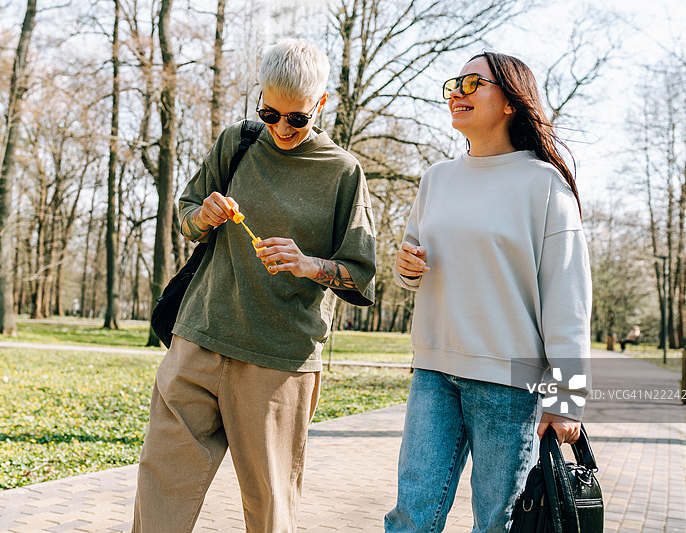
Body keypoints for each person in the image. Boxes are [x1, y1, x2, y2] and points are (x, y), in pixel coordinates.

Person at [133, 38, 377, 533]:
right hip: (199, 338)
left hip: (278, 361)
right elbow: (185, 212)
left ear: (321, 105)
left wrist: (310, 265)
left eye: (297, 118)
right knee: (159, 492)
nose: (281, 128)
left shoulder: (343, 172)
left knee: (270, 508)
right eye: (270, 113)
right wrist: (201, 215)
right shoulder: (237, 142)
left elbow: (361, 272)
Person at [385, 51, 592, 533]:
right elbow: (411, 269)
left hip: (510, 385)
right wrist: (404, 267)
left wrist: (569, 399)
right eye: (454, 84)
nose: (457, 92)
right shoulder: (436, 178)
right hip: (434, 372)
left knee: (496, 525)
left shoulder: (545, 186)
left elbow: (570, 300)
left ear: (511, 103)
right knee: (410, 518)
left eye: (473, 83)